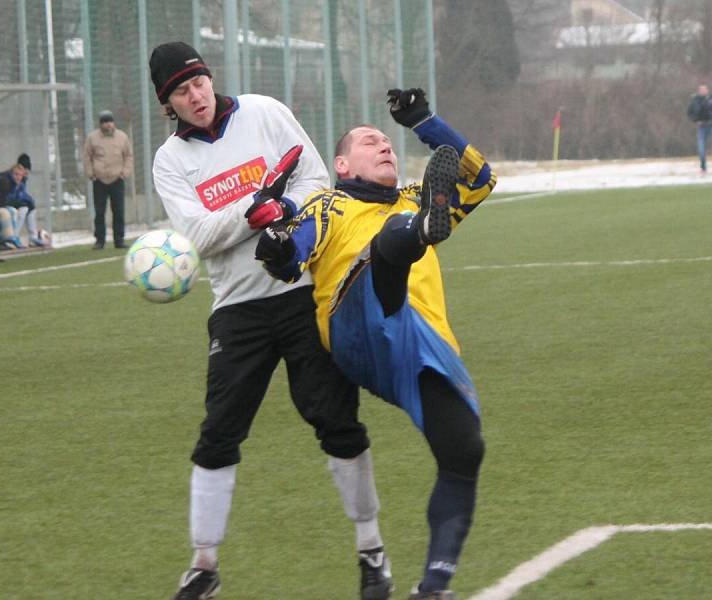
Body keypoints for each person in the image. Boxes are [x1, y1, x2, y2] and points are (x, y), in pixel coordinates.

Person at [149, 41, 391, 600]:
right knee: (218, 435)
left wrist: (283, 211)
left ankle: (372, 550)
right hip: (237, 310)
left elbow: (315, 185)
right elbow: (198, 236)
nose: (197, 95)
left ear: (211, 78)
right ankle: (203, 566)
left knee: (336, 423)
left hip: (303, 292)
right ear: (170, 104)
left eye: (200, 82)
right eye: (182, 91)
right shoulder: (171, 161)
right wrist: (252, 210)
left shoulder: (265, 112)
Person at [253, 88, 496, 600]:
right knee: (386, 247)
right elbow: (291, 253)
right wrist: (275, 247)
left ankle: (433, 587)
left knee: (464, 451)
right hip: (355, 324)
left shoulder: (412, 196)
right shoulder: (329, 204)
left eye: (387, 140)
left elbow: (481, 179)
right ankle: (415, 236)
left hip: (419, 346)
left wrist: (424, 121)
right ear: (342, 164)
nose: (384, 144)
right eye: (370, 141)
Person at [82, 110, 133, 249]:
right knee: (99, 212)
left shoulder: (122, 137)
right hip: (99, 180)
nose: (108, 124)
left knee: (119, 211)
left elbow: (128, 156)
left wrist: (125, 172)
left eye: (110, 121)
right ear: (100, 124)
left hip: (117, 178)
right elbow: (87, 157)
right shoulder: (92, 138)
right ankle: (100, 241)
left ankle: (119, 240)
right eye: (105, 122)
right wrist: (90, 173)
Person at [0, 161, 44, 249]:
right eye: (15, 174)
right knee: (9, 211)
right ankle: (9, 239)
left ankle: (29, 237)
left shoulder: (18, 183)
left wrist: (29, 203)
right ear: (11, 173)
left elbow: (22, 196)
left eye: (20, 175)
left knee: (26, 208)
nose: (18, 177)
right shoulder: (4, 181)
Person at [686, 84, 712, 174]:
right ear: (699, 91)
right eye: (702, 90)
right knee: (701, 148)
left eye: (705, 89)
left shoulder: (710, 99)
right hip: (701, 127)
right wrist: (696, 121)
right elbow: (689, 113)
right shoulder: (695, 101)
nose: (704, 91)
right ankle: (703, 167)